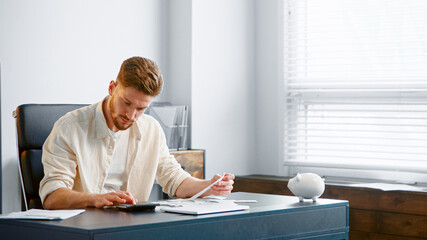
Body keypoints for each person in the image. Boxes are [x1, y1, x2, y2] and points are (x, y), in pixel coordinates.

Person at [39, 56, 234, 209]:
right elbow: (52, 197)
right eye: (126, 102)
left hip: (131, 229)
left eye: (141, 109)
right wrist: (96, 199)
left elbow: (174, 179)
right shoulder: (69, 128)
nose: (131, 115)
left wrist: (209, 186)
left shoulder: (151, 129)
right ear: (111, 88)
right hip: (83, 227)